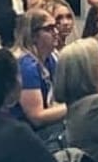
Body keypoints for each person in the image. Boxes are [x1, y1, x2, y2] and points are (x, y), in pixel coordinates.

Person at [9, 9, 66, 148]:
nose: (56, 32)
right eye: (49, 29)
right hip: (25, 136)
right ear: (33, 35)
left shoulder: (50, 58)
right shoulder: (26, 66)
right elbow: (36, 117)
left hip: (45, 130)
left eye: (55, 27)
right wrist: (75, 107)